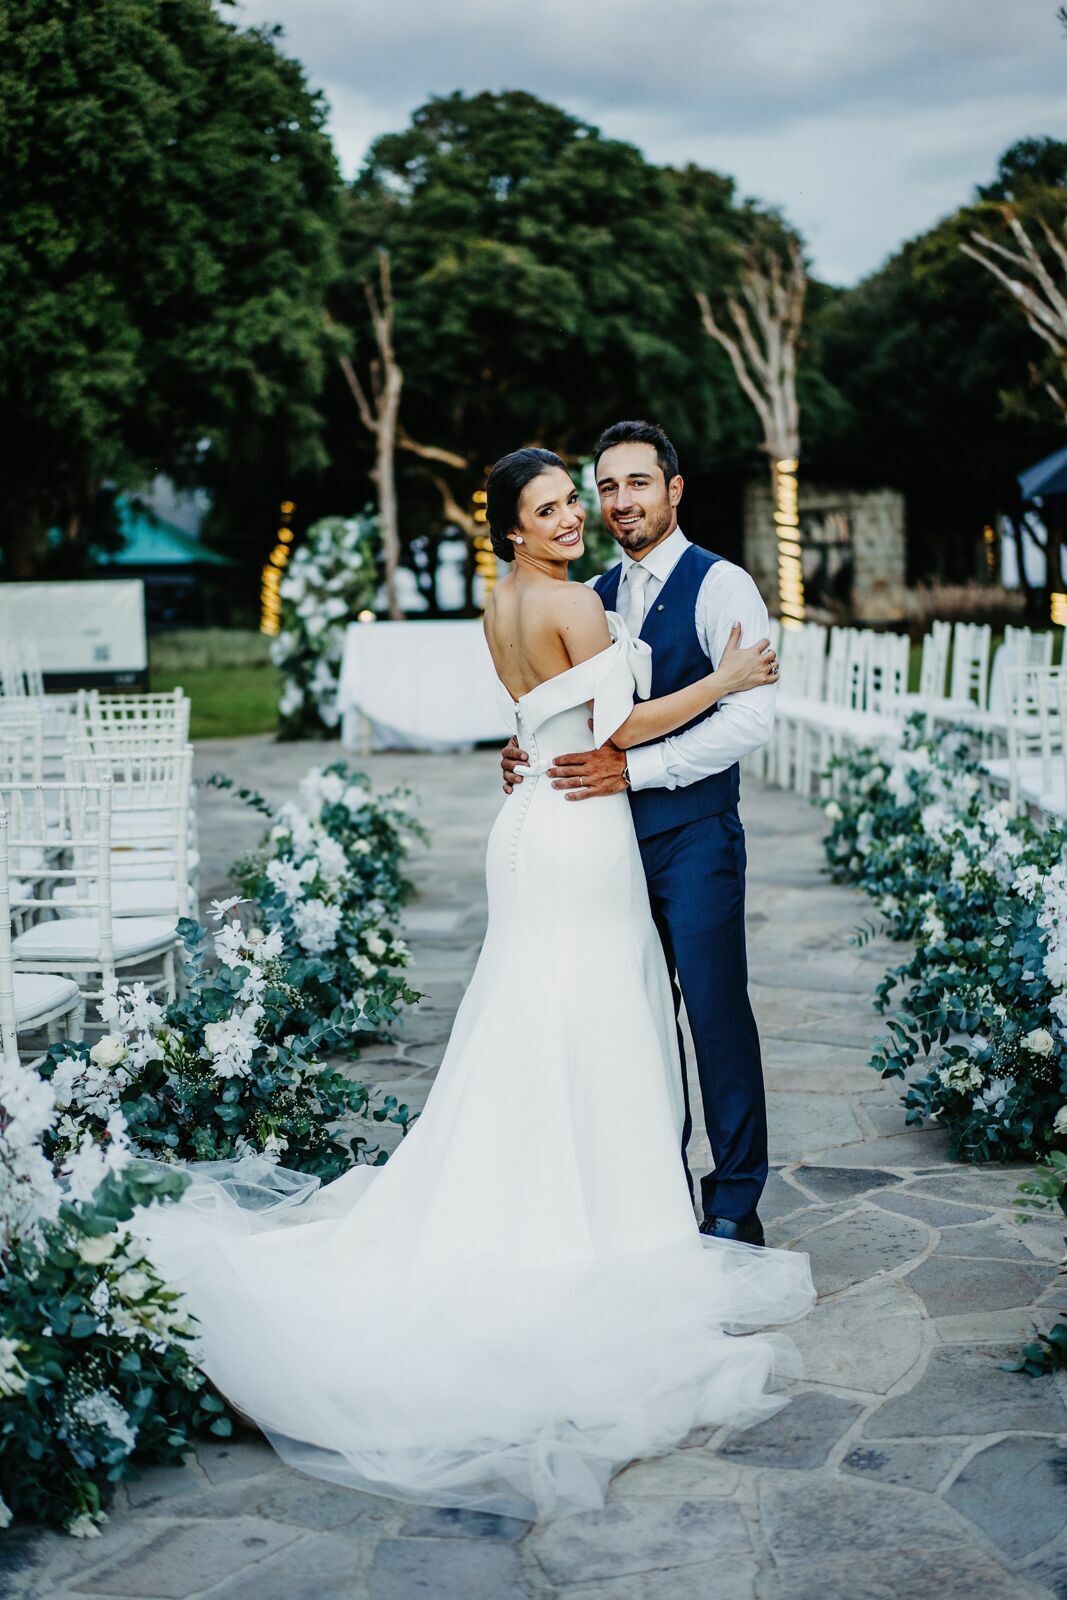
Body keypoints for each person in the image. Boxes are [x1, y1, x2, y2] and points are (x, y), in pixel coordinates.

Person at [132, 445, 813, 1523]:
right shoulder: (573, 600)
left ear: (668, 490)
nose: (580, 517)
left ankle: (676, 1202)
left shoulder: (580, 592)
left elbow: (548, 717)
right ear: (512, 525)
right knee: (592, 1016)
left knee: (544, 1017)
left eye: (581, 501)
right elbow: (611, 725)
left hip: (558, 825)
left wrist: (538, 741)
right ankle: (600, 1223)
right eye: (555, 505)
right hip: (578, 833)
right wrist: (722, 677)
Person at [502, 421, 776, 1247]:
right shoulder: (591, 592)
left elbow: (750, 718)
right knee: (636, 1016)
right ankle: (652, 1184)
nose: (621, 503)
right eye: (608, 487)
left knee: (714, 1014)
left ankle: (733, 1201)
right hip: (606, 841)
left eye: (638, 484)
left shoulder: (723, 585)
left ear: (674, 489)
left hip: (692, 836)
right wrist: (525, 744)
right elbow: (573, 708)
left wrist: (638, 772)